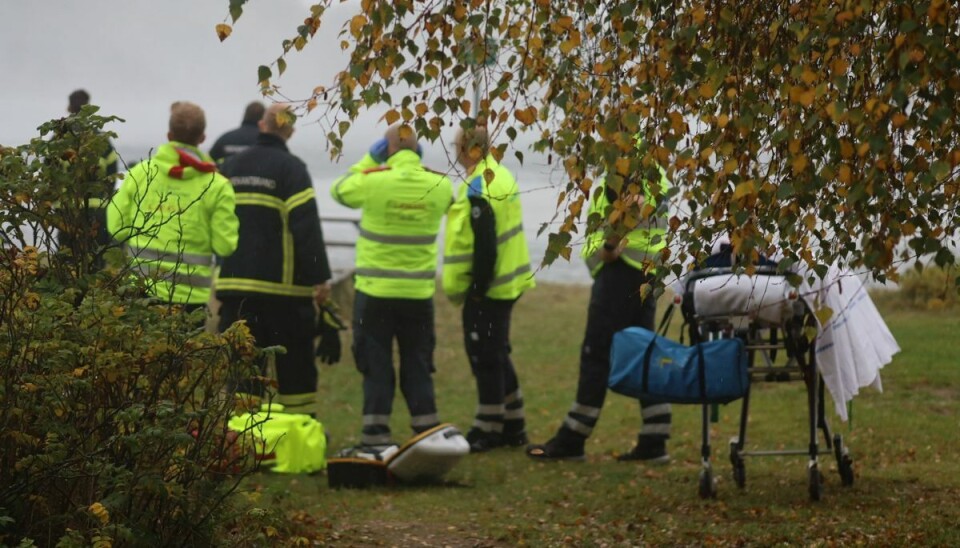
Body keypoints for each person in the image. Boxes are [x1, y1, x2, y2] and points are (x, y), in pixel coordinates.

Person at [526, 166, 673, 462]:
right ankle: (655, 437)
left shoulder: (626, 160)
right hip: (645, 273)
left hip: (621, 272)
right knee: (643, 352)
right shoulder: (653, 163)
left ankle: (573, 438)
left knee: (597, 354)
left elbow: (635, 206)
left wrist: (609, 245)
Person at [330, 124, 453, 448]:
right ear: (418, 151)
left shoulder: (373, 180)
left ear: (385, 150)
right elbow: (450, 201)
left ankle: (375, 434)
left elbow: (340, 191)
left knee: (375, 362)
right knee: (418, 361)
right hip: (418, 295)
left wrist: (370, 161)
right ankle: (426, 430)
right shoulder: (439, 184)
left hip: (375, 294)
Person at [216, 103, 333, 418]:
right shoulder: (292, 169)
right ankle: (299, 429)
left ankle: (241, 438)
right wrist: (319, 278)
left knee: (243, 365)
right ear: (290, 131)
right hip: (284, 294)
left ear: (262, 125)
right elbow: (305, 226)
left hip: (235, 288)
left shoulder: (229, 167)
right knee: (295, 367)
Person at [442, 127, 535, 452]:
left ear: (470, 149)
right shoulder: (500, 174)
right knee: (497, 351)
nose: (453, 151)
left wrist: (477, 288)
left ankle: (488, 428)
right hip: (508, 280)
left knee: (485, 356)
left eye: (456, 146)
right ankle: (514, 423)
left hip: (490, 286)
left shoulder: (479, 185)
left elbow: (485, 244)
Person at [107, 101, 239, 310]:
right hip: (190, 300)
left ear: (169, 135)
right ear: (202, 138)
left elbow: (117, 228)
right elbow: (225, 245)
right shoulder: (218, 186)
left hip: (139, 291)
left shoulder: (140, 173)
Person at [60, 89, 119, 269]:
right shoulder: (102, 139)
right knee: (96, 263)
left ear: (69, 107)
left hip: (68, 211)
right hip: (98, 212)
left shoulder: (59, 139)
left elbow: (50, 175)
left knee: (68, 265)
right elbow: (113, 174)